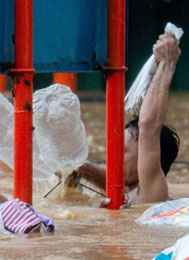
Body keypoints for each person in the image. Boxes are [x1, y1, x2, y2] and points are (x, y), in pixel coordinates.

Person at [66, 33, 181, 206]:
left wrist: (167, 63)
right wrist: (84, 169)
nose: (113, 158)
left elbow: (149, 127)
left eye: (124, 151)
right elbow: (114, 179)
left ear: (147, 158)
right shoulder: (129, 190)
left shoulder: (151, 192)